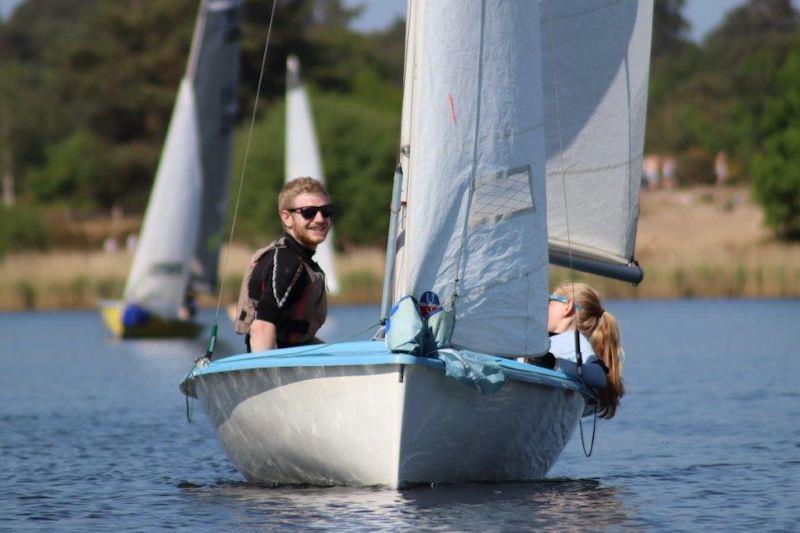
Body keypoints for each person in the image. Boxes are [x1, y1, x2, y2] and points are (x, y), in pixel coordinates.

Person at [233, 177, 332, 352]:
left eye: (326, 211)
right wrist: (268, 378)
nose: (320, 218)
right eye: (309, 212)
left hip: (295, 355)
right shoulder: (287, 261)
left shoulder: (300, 260)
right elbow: (261, 327)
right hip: (277, 365)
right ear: (287, 218)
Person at [545, 281, 624, 419]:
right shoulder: (548, 340)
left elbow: (600, 377)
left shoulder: (575, 342)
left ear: (567, 307)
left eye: (550, 301)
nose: (545, 307)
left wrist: (555, 364)